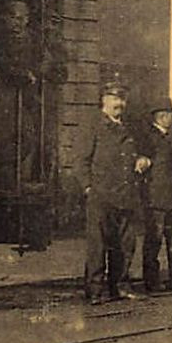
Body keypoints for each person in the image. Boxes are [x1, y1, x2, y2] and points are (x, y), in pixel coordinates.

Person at [71, 82, 147, 304]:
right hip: (101, 195)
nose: (119, 104)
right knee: (98, 245)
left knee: (124, 245)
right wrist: (88, 188)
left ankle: (120, 287)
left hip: (125, 194)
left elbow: (139, 152)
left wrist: (143, 159)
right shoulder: (93, 125)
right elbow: (80, 161)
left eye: (122, 99)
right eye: (114, 99)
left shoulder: (129, 127)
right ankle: (94, 290)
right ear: (103, 100)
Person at [134, 99, 172, 292]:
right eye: (171, 115)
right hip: (155, 198)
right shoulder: (147, 138)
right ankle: (152, 281)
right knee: (153, 242)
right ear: (162, 116)